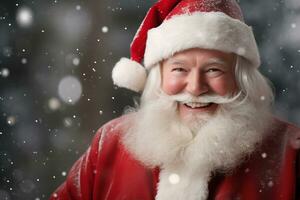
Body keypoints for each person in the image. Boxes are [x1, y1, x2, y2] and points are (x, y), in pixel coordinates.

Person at [50, 0, 300, 199]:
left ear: (240, 78)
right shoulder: (109, 144)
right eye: (179, 69)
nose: (195, 88)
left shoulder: (290, 152)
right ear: (159, 77)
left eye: (214, 69)